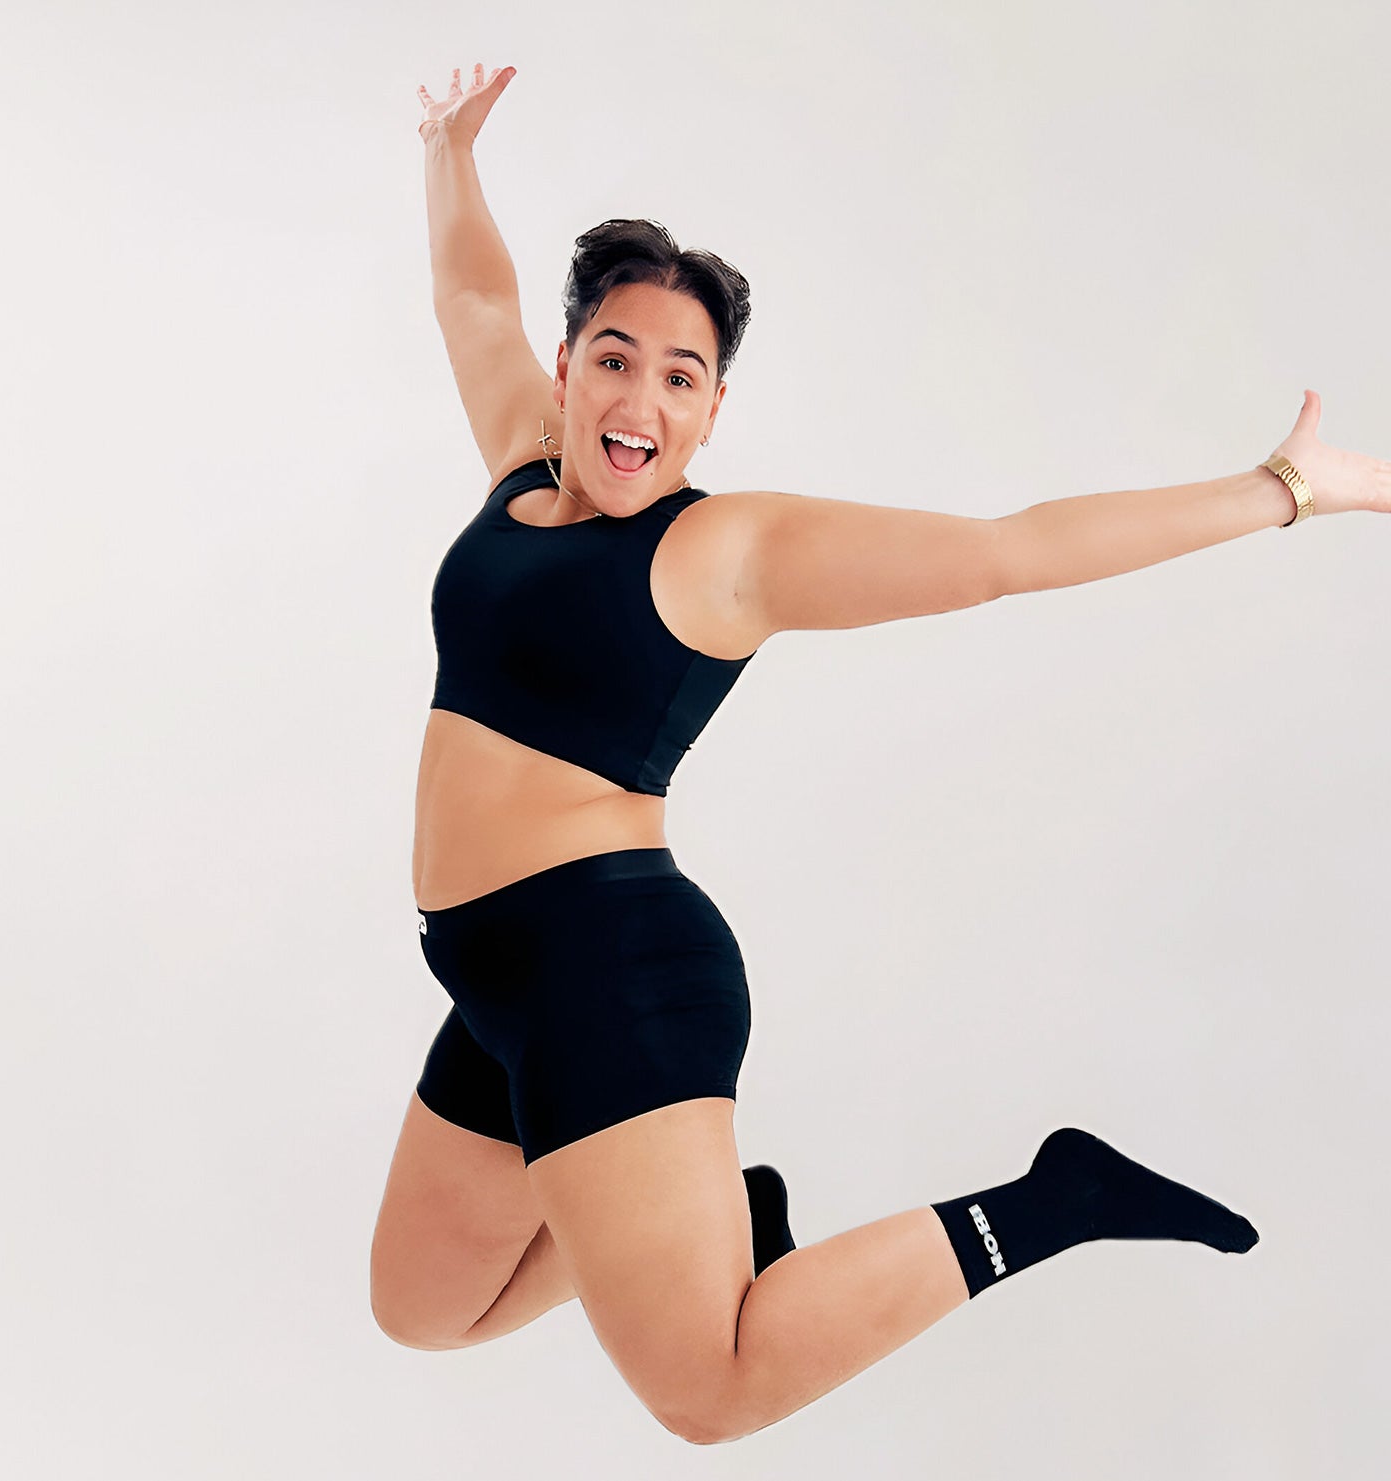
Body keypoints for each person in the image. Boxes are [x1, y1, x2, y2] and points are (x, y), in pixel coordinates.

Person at [367, 64, 1383, 1444]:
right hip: (496, 981)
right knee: (425, 1309)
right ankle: (729, 1220)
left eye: (683, 377)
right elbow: (473, 298)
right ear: (569, 368)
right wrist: (445, 149)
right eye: (614, 358)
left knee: (707, 1391)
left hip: (610, 974)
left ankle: (1052, 1199)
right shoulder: (524, 472)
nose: (641, 401)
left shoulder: (727, 551)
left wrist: (1283, 491)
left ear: (714, 409)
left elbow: (1005, 553)